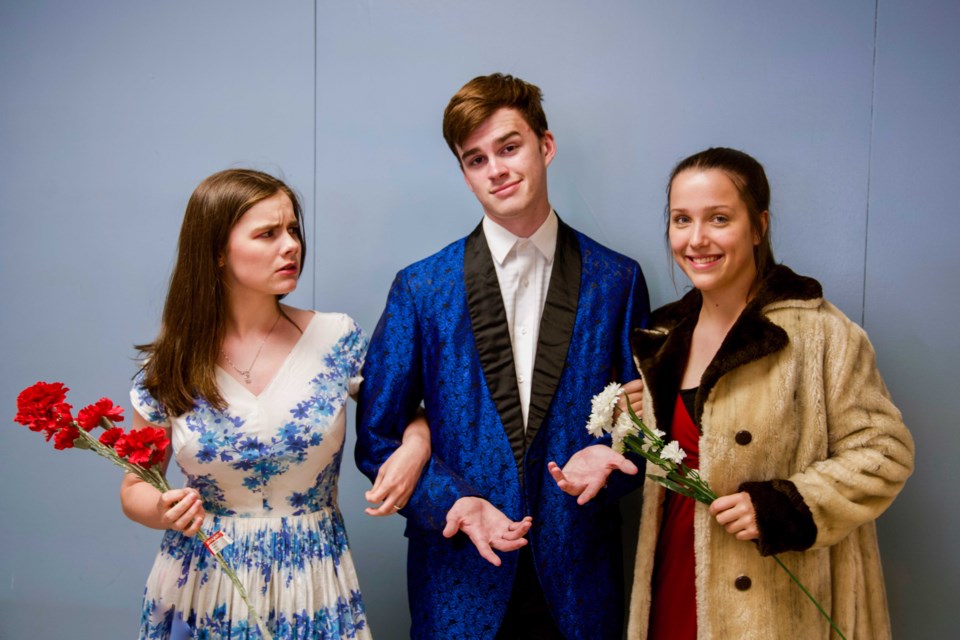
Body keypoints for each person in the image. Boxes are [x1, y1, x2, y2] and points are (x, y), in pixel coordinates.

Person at [552, 147, 915, 639]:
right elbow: (681, 457)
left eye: (719, 218)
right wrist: (617, 447)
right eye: (682, 220)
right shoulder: (661, 339)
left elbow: (884, 452)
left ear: (758, 226)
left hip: (774, 611)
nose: (696, 239)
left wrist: (781, 506)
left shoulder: (821, 334)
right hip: (674, 588)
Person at [355, 73, 650, 639]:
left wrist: (608, 467)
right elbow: (377, 434)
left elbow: (643, 421)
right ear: (464, 174)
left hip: (579, 575)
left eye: (510, 147)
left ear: (546, 145)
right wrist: (452, 502)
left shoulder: (618, 279)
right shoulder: (422, 287)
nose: (497, 169)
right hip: (460, 576)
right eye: (476, 159)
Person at [121, 169, 431, 639]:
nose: (290, 245)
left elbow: (411, 413)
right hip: (204, 583)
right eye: (267, 234)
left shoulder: (335, 339)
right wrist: (162, 508)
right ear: (217, 252)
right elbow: (133, 487)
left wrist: (415, 447)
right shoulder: (171, 366)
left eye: (292, 230)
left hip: (310, 579)